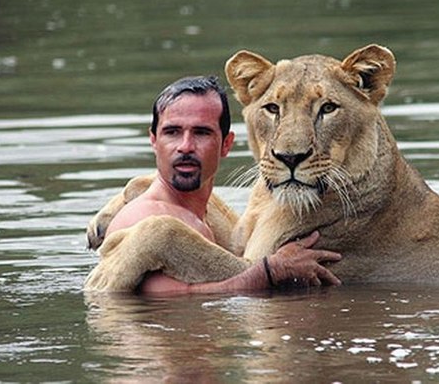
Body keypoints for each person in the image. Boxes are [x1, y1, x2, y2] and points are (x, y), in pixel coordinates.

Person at [105, 76, 342, 295]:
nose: (185, 146)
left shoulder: (207, 216)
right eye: (172, 132)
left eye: (201, 133)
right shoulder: (142, 218)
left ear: (226, 145)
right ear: (154, 141)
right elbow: (173, 302)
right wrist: (272, 271)